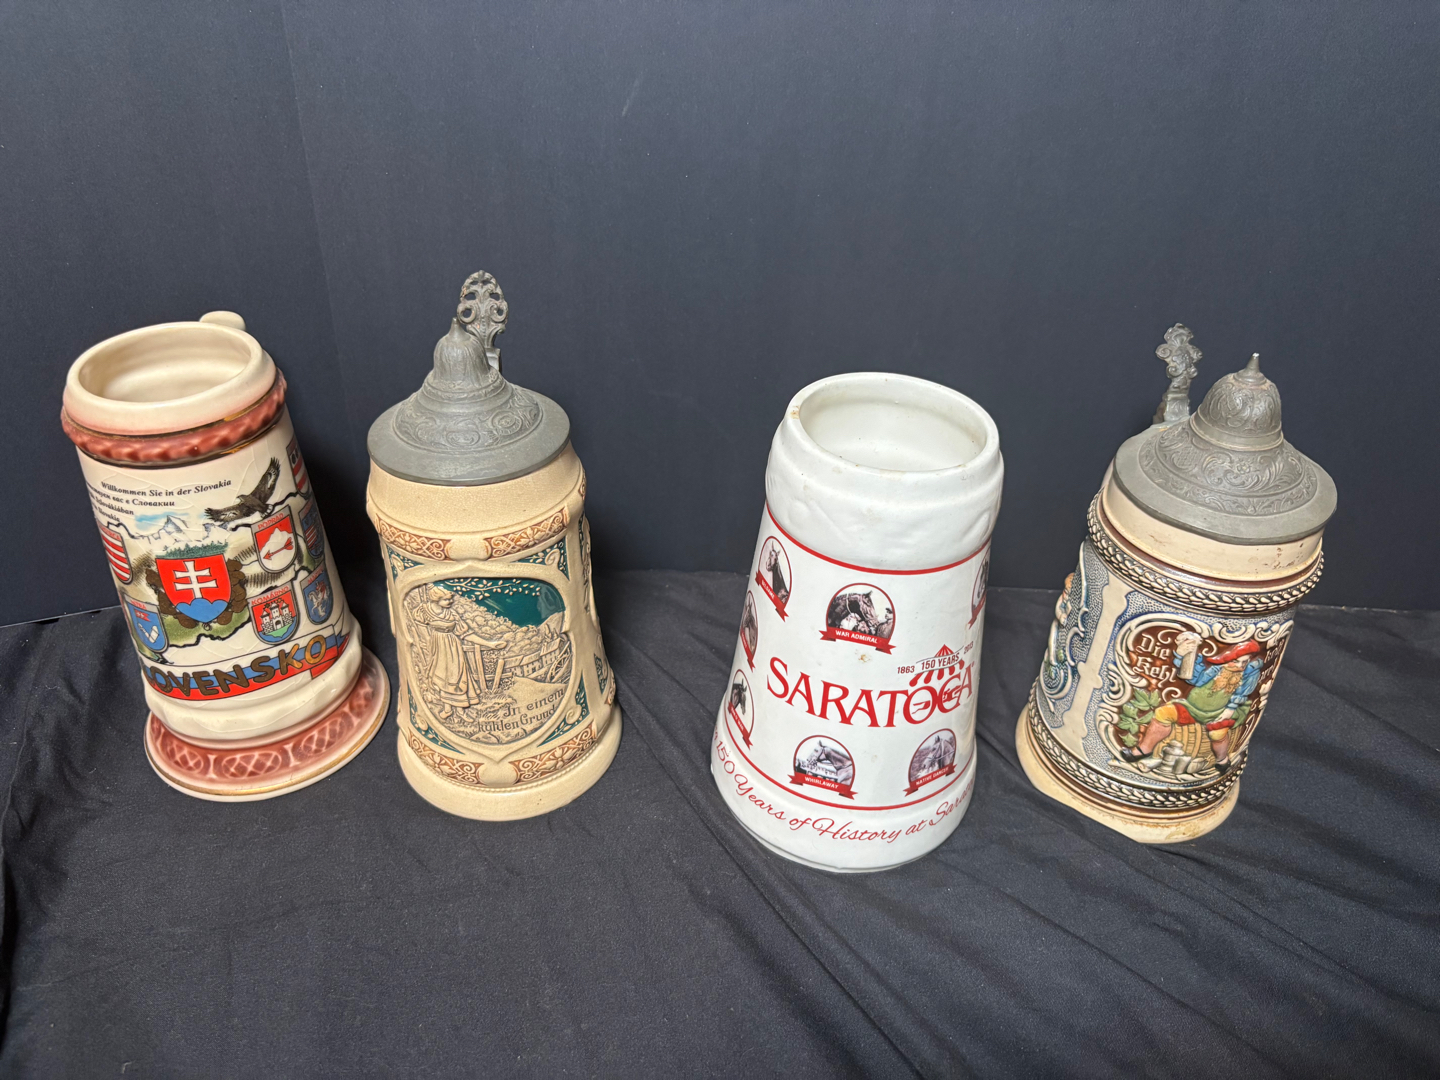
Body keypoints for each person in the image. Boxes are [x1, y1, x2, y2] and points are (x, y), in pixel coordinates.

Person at [1121, 635, 1262, 774]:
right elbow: (1194, 679)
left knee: (1217, 734)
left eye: (1244, 662)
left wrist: (1229, 710)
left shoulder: (1246, 675)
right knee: (1163, 713)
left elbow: (1242, 694)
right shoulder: (1215, 670)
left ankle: (1222, 760)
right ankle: (1144, 750)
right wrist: (1182, 656)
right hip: (1192, 708)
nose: (1240, 666)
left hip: (1218, 713)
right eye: (1236, 661)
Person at [411, 588, 504, 716]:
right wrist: (428, 643)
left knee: (457, 677)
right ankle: (448, 709)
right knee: (442, 677)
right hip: (437, 648)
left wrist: (490, 644)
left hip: (453, 648)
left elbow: (466, 634)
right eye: (446, 599)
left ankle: (460, 710)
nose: (450, 601)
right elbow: (420, 627)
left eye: (450, 599)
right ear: (436, 599)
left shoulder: (452, 614)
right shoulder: (424, 611)